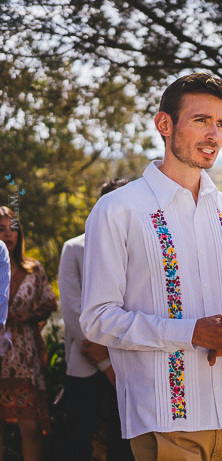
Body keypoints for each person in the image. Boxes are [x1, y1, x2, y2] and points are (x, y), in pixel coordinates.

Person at [81, 73, 222, 460]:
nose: (213, 134)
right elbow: (98, 319)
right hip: (164, 416)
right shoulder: (119, 210)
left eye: (221, 123)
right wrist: (192, 333)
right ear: (164, 124)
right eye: (201, 120)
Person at [59, 178, 132, 460]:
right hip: (85, 362)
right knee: (80, 436)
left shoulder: (136, 249)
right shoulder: (75, 248)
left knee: (122, 438)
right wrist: (103, 360)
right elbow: (72, 310)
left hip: (126, 362)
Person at [0, 206, 57, 461]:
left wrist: (29, 317)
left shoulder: (33, 268)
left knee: (30, 427)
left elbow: (49, 303)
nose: (9, 234)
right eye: (2, 229)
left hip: (24, 357)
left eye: (13, 228)